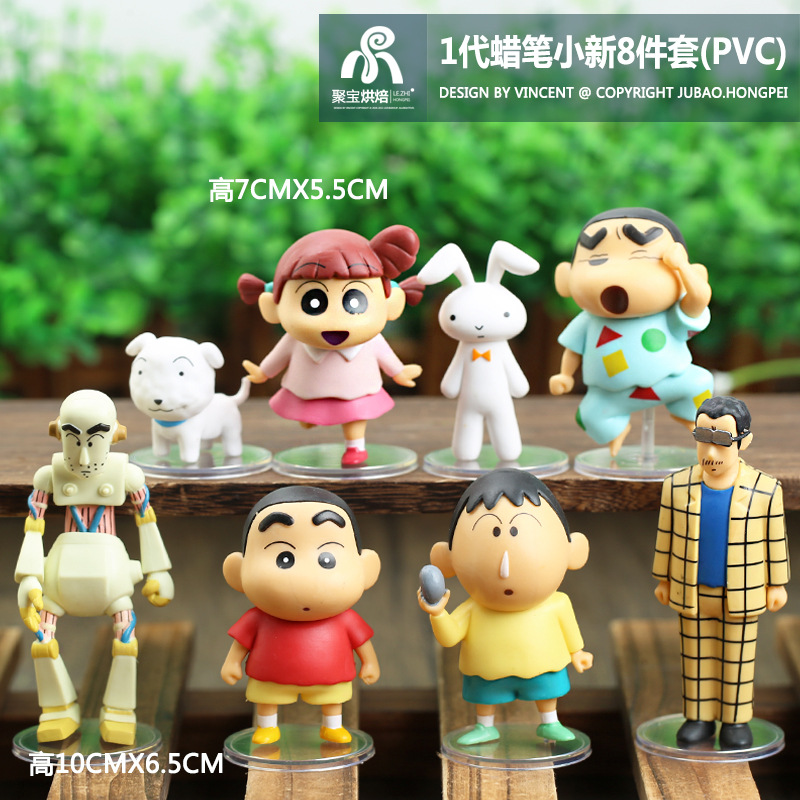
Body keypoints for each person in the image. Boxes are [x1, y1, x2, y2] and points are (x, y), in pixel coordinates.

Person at [15, 390, 173, 745]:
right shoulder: (48, 478)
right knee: (43, 640)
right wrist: (28, 576)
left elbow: (147, 520)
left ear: (115, 435)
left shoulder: (128, 477)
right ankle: (58, 710)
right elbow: (33, 526)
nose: (84, 457)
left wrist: (157, 570)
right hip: (59, 578)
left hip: (112, 579)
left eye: (95, 441)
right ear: (58, 433)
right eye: (73, 441)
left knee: (126, 640)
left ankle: (119, 711)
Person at [653, 396, 790, 749]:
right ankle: (698, 717)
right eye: (703, 437)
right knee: (695, 657)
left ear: (744, 441)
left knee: (737, 659)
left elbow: (775, 539)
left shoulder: (765, 490)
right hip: (691, 591)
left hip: (742, 592)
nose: (711, 451)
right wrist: (663, 578)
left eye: (722, 440)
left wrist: (777, 583)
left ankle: (735, 721)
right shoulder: (676, 486)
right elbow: (666, 535)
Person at [418, 469, 592, 745]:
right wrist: (438, 613)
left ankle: (550, 721)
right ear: (448, 560)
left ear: (572, 551)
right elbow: (449, 638)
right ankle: (485, 726)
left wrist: (577, 652)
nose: (505, 569)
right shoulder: (472, 610)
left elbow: (569, 629)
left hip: (542, 664)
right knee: (485, 694)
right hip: (487, 669)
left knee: (547, 688)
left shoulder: (556, 604)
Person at [238, 226, 422, 467]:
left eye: (355, 301)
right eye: (312, 302)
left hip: (357, 390)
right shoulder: (296, 340)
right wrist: (263, 371)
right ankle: (311, 417)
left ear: (391, 305)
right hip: (308, 387)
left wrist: (399, 371)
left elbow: (385, 355)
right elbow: (279, 355)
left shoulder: (371, 341)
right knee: (307, 404)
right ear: (272, 308)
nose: (335, 320)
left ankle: (356, 447)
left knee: (356, 415)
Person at [221, 486, 381, 745]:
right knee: (267, 697)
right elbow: (241, 642)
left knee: (332, 698)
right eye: (283, 558)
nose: (306, 575)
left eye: (327, 559)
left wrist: (370, 663)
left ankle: (332, 726)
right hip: (270, 675)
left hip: (329, 676)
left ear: (367, 569)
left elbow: (362, 643)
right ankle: (267, 727)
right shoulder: (258, 618)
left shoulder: (345, 619)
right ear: (237, 571)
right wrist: (231, 663)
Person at [549, 207, 713, 456]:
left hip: (669, 384)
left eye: (640, 257)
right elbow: (573, 349)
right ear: (565, 278)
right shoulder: (589, 321)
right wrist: (565, 375)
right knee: (588, 416)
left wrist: (682, 267)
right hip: (610, 396)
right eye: (596, 260)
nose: (616, 274)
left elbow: (699, 298)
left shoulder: (669, 315)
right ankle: (616, 433)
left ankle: (688, 417)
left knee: (700, 383)